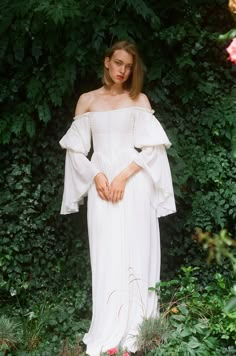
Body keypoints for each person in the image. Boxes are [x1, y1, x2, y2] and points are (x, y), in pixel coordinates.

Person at [59, 40, 176, 356]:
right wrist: (97, 176)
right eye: (119, 63)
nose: (123, 70)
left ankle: (139, 330)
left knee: (137, 249)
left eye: (129, 66)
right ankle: (109, 329)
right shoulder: (87, 101)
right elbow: (76, 149)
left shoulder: (138, 100)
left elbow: (152, 148)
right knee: (107, 252)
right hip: (101, 189)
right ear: (107, 62)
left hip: (133, 185)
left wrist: (123, 176)